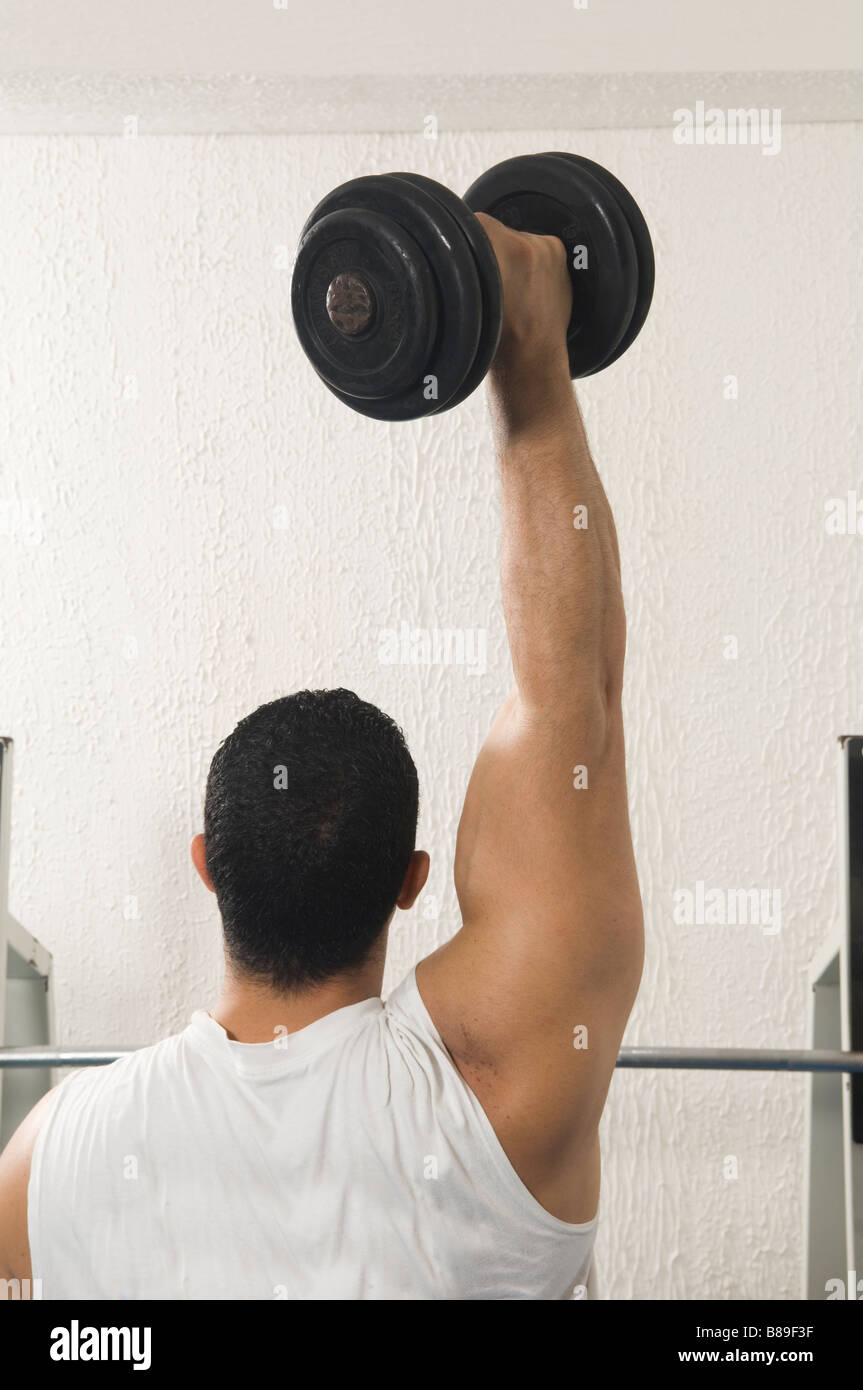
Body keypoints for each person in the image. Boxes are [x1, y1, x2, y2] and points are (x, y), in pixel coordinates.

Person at [0, 212, 643, 1300]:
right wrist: (528, 355)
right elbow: (570, 703)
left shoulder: (53, 1156)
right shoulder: (492, 1083)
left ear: (205, 861)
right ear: (410, 883)